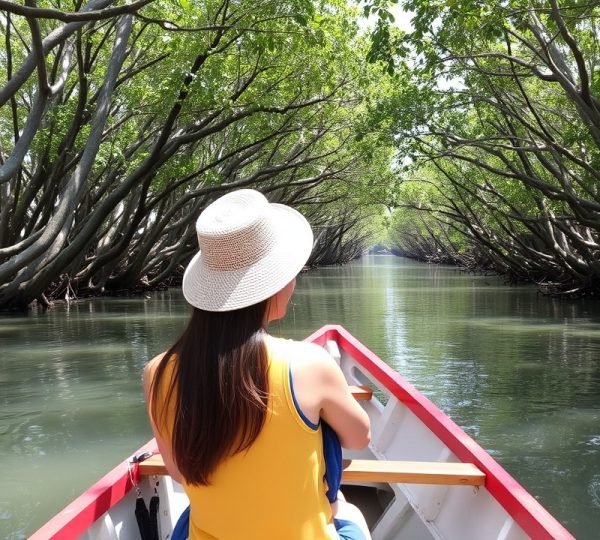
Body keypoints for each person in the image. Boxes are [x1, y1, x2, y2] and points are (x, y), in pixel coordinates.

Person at [143, 189, 371, 539]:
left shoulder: (157, 373)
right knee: (349, 511)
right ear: (274, 284)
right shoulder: (310, 363)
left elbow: (176, 471)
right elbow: (358, 437)